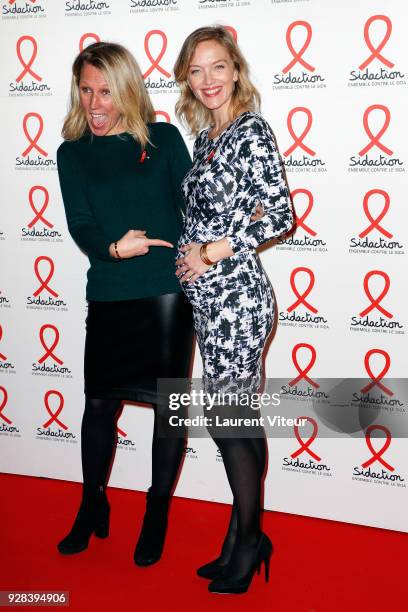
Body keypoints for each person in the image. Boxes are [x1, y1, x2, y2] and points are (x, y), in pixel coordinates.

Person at [56, 42, 194, 566]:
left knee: (167, 411)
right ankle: (92, 504)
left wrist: (209, 249)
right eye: (86, 90)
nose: (94, 103)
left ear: (128, 88)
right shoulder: (72, 153)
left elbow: (193, 204)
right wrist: (114, 249)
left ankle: (155, 511)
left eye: (105, 90)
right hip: (109, 292)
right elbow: (81, 224)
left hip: (165, 293)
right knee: (97, 406)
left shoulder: (162, 139)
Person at [174, 26, 294, 594]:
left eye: (217, 67)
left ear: (236, 70)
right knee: (229, 422)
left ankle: (250, 540)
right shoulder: (206, 140)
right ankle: (239, 535)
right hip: (209, 302)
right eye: (196, 71)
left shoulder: (252, 131)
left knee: (230, 426)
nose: (208, 81)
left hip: (240, 301)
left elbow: (278, 216)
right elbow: (201, 220)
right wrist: (184, 253)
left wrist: (213, 251)